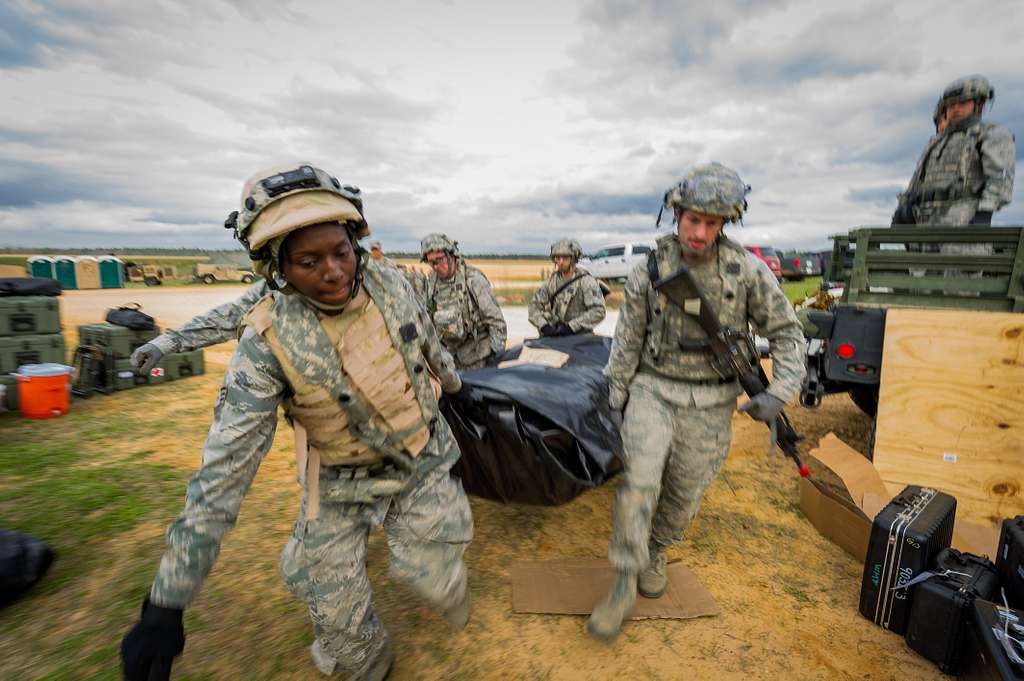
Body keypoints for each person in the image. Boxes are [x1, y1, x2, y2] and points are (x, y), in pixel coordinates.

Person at [120, 164, 473, 681]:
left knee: (434, 576)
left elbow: (426, 344)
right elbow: (221, 478)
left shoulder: (389, 281)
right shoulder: (268, 340)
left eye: (341, 251)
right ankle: (360, 648)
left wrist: (458, 389)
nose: (333, 272)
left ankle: (425, 555)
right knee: (337, 623)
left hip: (420, 458)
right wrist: (165, 603)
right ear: (279, 267)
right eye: (309, 261)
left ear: (355, 241)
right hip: (336, 478)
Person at [587, 163, 805, 641]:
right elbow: (628, 338)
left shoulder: (746, 272)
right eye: (693, 221)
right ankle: (623, 578)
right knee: (639, 484)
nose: (700, 233)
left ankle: (657, 550)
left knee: (683, 494)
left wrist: (779, 391)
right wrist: (616, 394)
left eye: (712, 223)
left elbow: (789, 335)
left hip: (710, 403)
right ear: (676, 214)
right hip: (653, 390)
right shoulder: (651, 267)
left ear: (725, 224)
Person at [893, 74, 1015, 226]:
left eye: (963, 103)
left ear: (980, 104)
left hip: (961, 228)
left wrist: (982, 215)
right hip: (924, 227)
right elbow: (918, 181)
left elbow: (999, 182)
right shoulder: (936, 141)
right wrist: (904, 207)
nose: (955, 109)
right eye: (950, 105)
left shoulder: (991, 135)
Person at [419, 233, 507, 369]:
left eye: (439, 260)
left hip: (479, 360)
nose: (435, 266)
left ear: (452, 256)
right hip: (450, 363)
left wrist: (495, 356)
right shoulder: (431, 283)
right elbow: (428, 321)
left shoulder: (473, 279)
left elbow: (496, 322)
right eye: (431, 262)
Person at [527, 238, 606, 337]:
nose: (560, 262)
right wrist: (544, 326)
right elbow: (534, 307)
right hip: (555, 336)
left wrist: (571, 327)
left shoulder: (586, 282)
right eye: (557, 258)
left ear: (573, 259)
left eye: (565, 258)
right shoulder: (550, 283)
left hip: (580, 337)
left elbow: (598, 311)